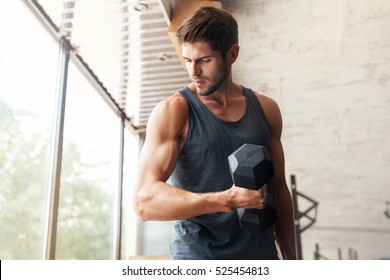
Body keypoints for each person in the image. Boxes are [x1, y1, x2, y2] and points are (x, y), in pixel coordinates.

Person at [133, 6, 296, 260]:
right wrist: (226, 200)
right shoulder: (174, 112)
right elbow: (144, 201)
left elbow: (279, 190)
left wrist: (292, 260)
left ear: (232, 54)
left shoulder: (266, 109)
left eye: (204, 60)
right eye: (188, 60)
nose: (193, 72)